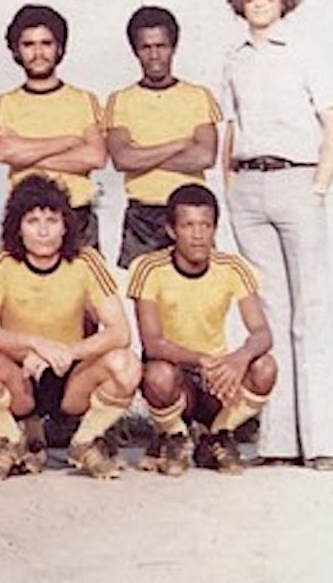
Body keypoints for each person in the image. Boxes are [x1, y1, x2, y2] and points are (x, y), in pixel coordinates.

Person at [219, 0, 333, 469]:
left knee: (310, 312)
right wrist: (230, 191)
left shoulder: (306, 54)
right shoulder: (232, 60)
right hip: (250, 188)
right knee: (271, 313)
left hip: (298, 181)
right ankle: (277, 443)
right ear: (237, 0)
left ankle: (323, 443)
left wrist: (317, 187)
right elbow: (230, 128)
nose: (258, 1)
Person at [0, 175, 140, 481]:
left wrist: (67, 352)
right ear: (17, 227)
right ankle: (10, 440)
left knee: (125, 364)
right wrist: (35, 345)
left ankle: (85, 441)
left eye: (52, 220)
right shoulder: (0, 261)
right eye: (32, 221)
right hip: (21, 376)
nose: (43, 230)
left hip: (69, 375)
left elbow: (119, 331)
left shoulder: (86, 260)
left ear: (66, 225)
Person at [130, 185, 276, 475]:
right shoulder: (149, 268)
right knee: (157, 374)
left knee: (265, 367)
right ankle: (173, 435)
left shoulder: (232, 267)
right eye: (188, 225)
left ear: (214, 228)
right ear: (172, 230)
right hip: (177, 375)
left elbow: (262, 332)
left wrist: (238, 359)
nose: (197, 235)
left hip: (216, 379)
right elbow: (153, 343)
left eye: (205, 225)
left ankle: (218, 435)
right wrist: (200, 359)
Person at [105, 6, 220, 268]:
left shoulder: (198, 96)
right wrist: (180, 144)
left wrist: (144, 155)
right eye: (146, 47)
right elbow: (122, 158)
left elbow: (205, 156)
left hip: (190, 212)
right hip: (142, 216)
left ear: (173, 47)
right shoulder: (120, 100)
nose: (155, 55)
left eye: (162, 46)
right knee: (143, 298)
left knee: (194, 296)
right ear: (135, 50)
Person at [0, 5, 106, 250]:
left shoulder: (84, 100)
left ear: (60, 48)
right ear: (16, 51)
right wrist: (69, 141)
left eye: (46, 43)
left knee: (86, 287)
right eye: (28, 45)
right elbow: (5, 153)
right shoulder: (5, 103)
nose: (38, 52)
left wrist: (28, 157)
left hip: (78, 216)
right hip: (26, 220)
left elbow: (95, 156)